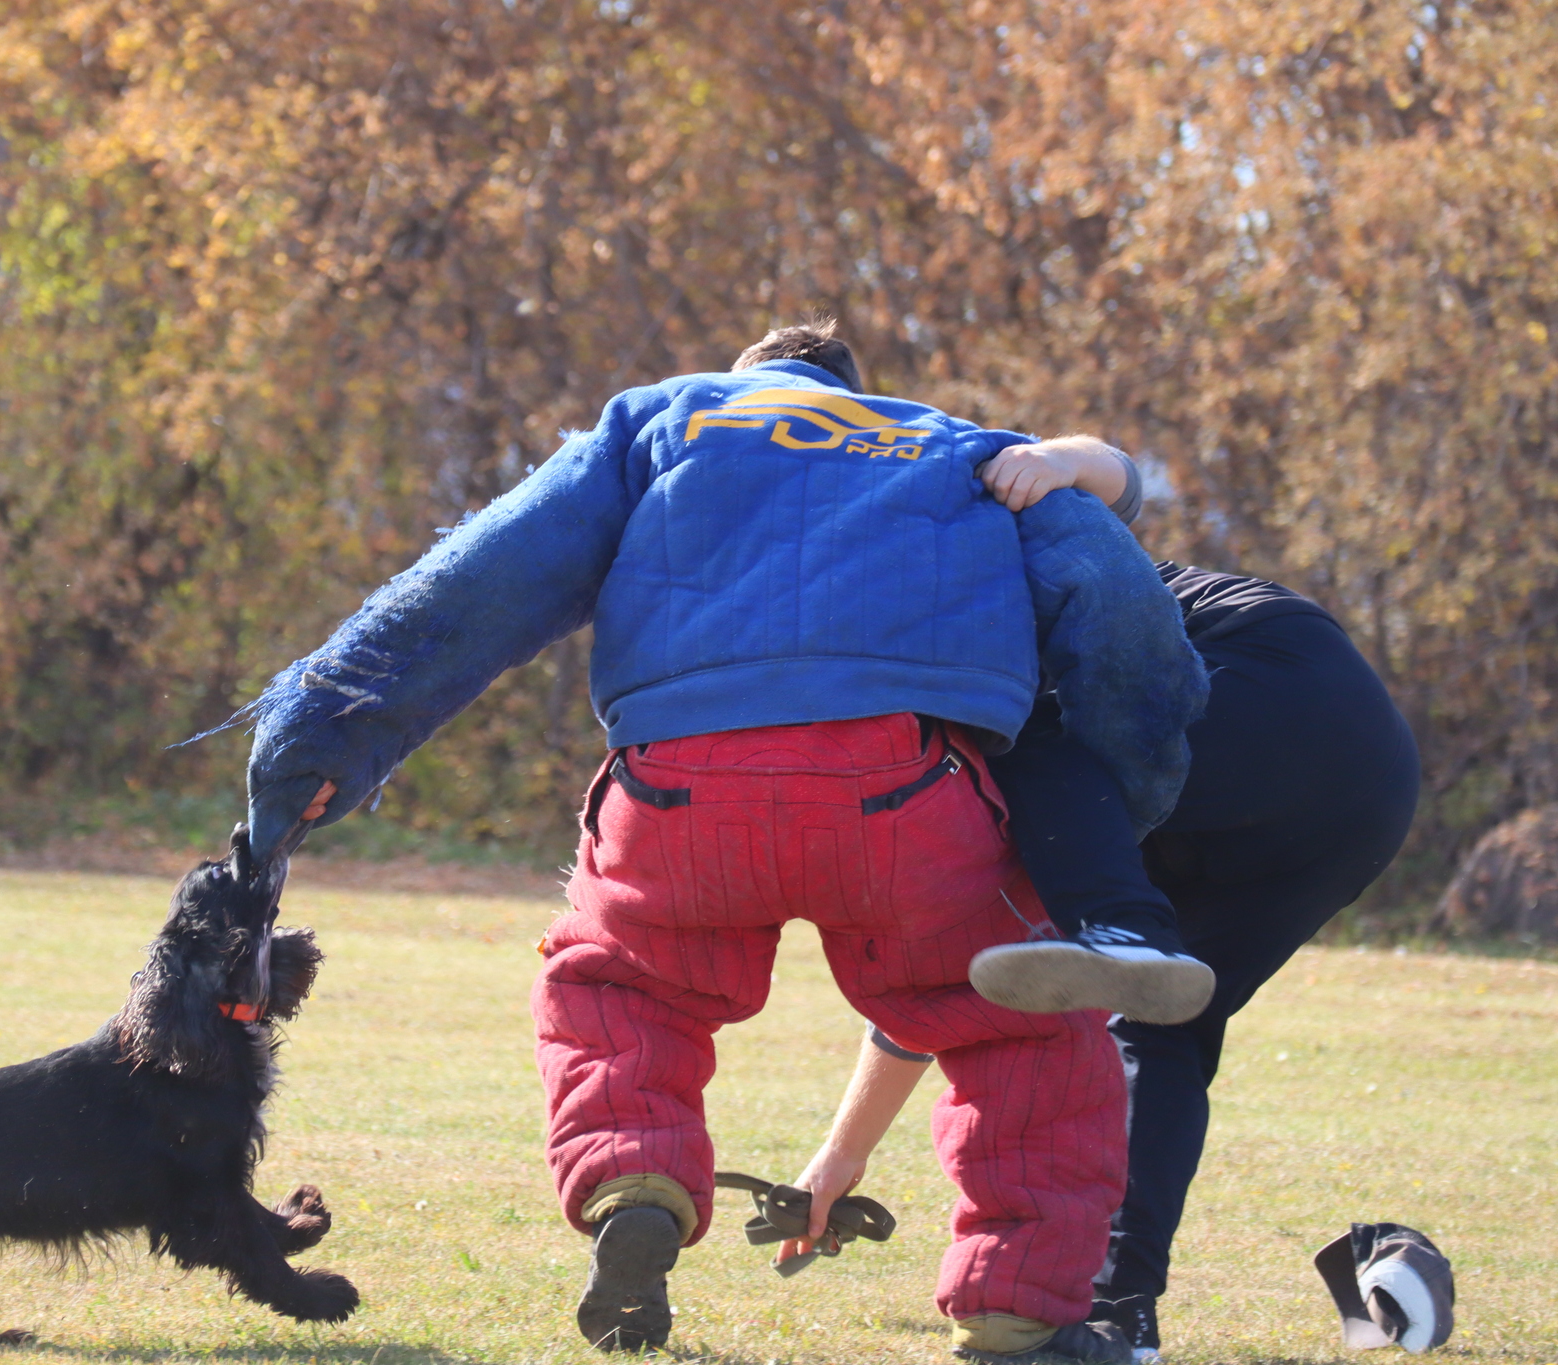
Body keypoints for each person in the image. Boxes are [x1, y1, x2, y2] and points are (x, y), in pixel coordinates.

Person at [237, 320, 1210, 1363]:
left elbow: (478, 580)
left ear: (748, 376)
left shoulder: (663, 420)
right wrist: (1126, 792)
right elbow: (1119, 608)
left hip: (677, 786)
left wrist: (315, 740)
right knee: (1017, 1026)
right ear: (852, 390)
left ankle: (632, 1182)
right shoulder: (958, 445)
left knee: (616, 987)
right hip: (912, 787)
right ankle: (1018, 1313)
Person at [780, 446, 1421, 1363]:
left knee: (1039, 748)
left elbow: (1112, 473)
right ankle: (1123, 1318)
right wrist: (840, 1158)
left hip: (1260, 682)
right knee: (1156, 1027)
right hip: (1365, 782)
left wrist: (1062, 455)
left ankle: (1132, 936)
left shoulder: (931, 552)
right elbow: (941, 979)